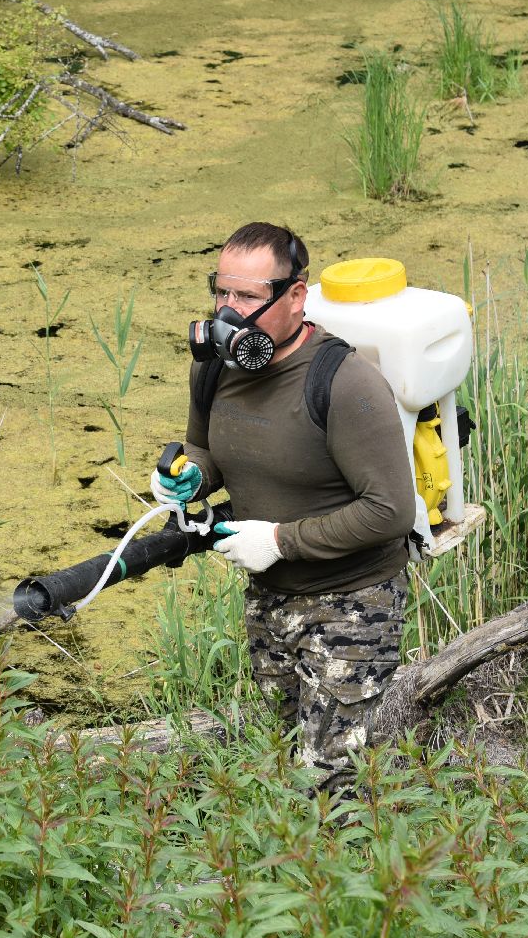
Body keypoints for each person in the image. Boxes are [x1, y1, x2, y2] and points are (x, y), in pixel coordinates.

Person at [150, 222, 414, 797]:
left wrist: (278, 541)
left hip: (353, 604)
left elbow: (390, 511)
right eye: (221, 292)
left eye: (247, 297)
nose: (228, 311)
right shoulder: (215, 364)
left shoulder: (346, 384)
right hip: (269, 599)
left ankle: (354, 880)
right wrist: (190, 476)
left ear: (296, 296)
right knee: (274, 753)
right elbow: (206, 448)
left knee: (328, 780)